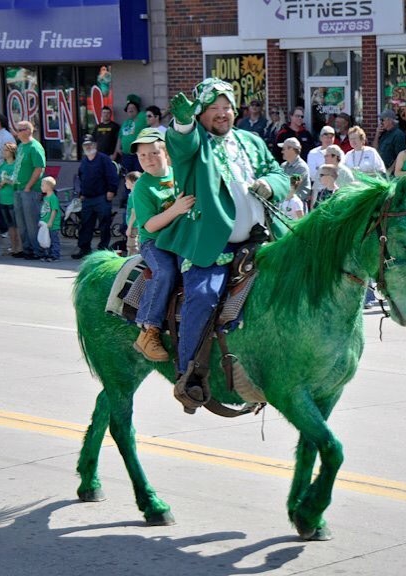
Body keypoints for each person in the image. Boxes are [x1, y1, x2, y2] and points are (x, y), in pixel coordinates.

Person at [161, 77, 290, 409]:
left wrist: (269, 184)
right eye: (214, 109)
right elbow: (179, 144)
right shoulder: (195, 144)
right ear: (201, 114)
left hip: (261, 240)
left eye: (226, 108)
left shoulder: (250, 140)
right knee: (202, 296)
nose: (222, 114)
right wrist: (184, 123)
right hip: (212, 246)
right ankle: (188, 375)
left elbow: (277, 171)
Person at [129, 128, 196, 360]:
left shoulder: (180, 174)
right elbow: (149, 226)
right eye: (142, 156)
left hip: (182, 238)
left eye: (154, 153)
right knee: (165, 271)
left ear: (166, 152)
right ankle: (149, 329)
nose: (148, 159)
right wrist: (176, 209)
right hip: (155, 243)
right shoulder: (143, 187)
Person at [72, 134, 119, 259]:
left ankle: (103, 249)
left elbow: (112, 176)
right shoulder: (84, 161)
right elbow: (81, 178)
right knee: (85, 224)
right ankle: (84, 249)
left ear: (95, 145)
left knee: (104, 224)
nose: (88, 147)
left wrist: (112, 190)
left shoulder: (104, 159)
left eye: (90, 144)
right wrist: (81, 194)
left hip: (102, 197)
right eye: (85, 145)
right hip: (87, 198)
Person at [11, 120, 46, 260]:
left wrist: (28, 186)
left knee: (32, 222)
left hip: (30, 190)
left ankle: (37, 250)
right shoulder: (20, 146)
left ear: (28, 131)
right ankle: (27, 249)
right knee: (21, 222)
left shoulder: (35, 147)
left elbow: (39, 168)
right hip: (18, 188)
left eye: (20, 130)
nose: (17, 132)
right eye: (17, 129)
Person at [0, 142, 22, 257]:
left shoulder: (16, 165)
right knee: (10, 226)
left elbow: (18, 181)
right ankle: (14, 247)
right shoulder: (3, 165)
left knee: (17, 225)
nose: (3, 152)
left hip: (13, 199)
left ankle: (20, 247)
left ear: (12, 152)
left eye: (6, 150)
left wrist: (8, 181)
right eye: (3, 150)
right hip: (3, 198)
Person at [114, 95, 147, 173]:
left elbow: (155, 116)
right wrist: (117, 149)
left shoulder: (142, 116)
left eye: (132, 108)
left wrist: (167, 110)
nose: (130, 109)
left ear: (137, 109)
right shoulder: (125, 122)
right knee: (127, 177)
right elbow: (120, 136)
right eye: (128, 108)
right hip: (126, 156)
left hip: (138, 155)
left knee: (137, 177)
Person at [279, 137, 312, 211]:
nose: (282, 152)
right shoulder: (283, 166)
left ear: (291, 149)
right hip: (285, 205)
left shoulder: (301, 167)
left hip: (297, 208)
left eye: (284, 149)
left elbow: (292, 188)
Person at [307, 125, 335, 194]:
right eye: (326, 137)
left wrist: (320, 170)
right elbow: (312, 174)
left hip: (334, 189)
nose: (329, 139)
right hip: (318, 189)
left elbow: (339, 172)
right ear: (320, 138)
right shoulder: (313, 153)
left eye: (331, 137)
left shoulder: (339, 153)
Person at [124, 171, 142, 256]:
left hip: (134, 226)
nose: (125, 183)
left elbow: (134, 212)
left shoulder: (134, 195)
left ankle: (132, 266)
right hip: (136, 225)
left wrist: (129, 227)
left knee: (132, 247)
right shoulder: (135, 194)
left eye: (127, 181)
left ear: (134, 182)